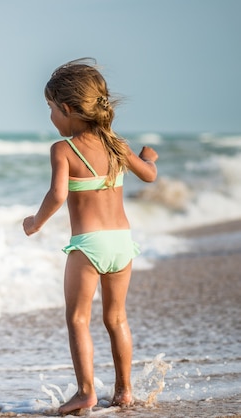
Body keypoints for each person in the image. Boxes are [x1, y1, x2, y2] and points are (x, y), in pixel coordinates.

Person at [23, 58, 158, 415]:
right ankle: (124, 390)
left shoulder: (64, 150)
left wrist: (35, 223)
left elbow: (56, 196)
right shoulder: (116, 145)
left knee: (78, 319)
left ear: (67, 108)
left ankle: (85, 392)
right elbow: (148, 175)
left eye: (50, 108)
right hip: (121, 243)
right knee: (116, 318)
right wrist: (149, 157)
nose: (51, 116)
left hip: (88, 246)